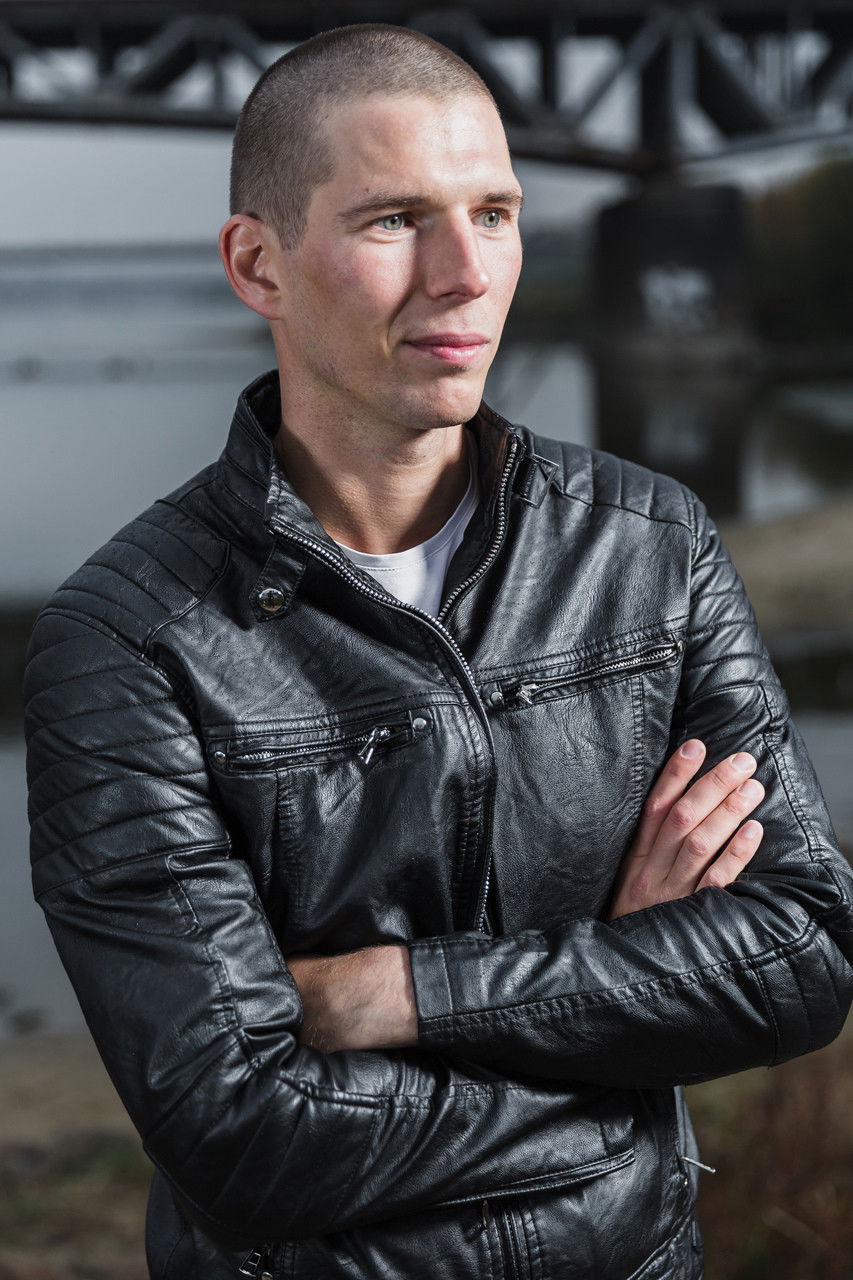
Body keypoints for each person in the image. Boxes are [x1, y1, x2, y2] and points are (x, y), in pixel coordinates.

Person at [23, 22, 853, 1280]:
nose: (466, 274)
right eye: (395, 220)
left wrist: (391, 992)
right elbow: (236, 1135)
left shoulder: (651, 545)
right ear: (257, 264)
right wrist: (620, 1012)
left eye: (496, 213)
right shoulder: (127, 640)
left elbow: (802, 957)